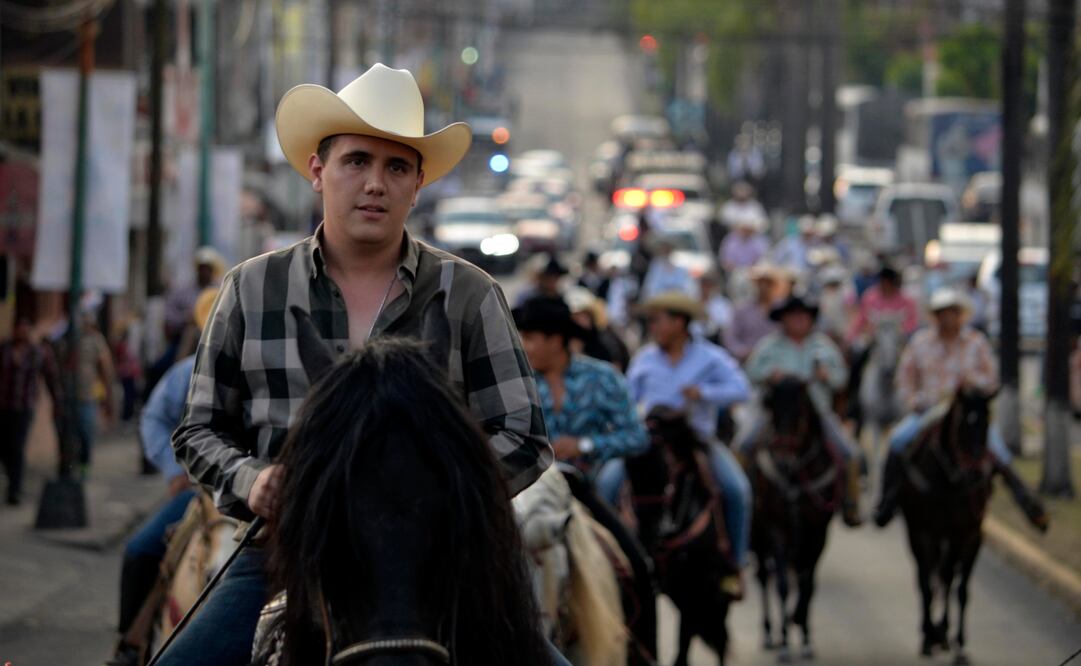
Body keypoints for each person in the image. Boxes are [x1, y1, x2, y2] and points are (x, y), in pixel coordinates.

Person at [164, 64, 555, 666]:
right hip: (288, 549)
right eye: (356, 162)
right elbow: (198, 429)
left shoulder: (470, 294)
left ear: (418, 183)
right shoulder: (250, 288)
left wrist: (439, 497)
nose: (375, 182)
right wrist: (254, 481)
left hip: (438, 559)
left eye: (396, 166)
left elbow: (524, 438)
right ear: (317, 171)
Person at [596, 292, 753, 596]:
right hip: (649, 441)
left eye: (658, 320)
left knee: (737, 490)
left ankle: (734, 563)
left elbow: (740, 389)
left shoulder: (711, 357)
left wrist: (704, 393)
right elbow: (628, 399)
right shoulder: (645, 358)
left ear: (679, 322)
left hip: (695, 441)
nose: (652, 326)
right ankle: (608, 560)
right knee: (606, 485)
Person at [874, 288, 1049, 531]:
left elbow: (992, 380)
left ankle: (1029, 504)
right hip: (929, 411)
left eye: (952, 313)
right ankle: (886, 502)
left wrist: (971, 383)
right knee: (896, 441)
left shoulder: (975, 342)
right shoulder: (921, 343)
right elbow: (904, 378)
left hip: (966, 415)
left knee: (999, 452)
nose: (947, 319)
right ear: (935, 316)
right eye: (942, 313)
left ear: (960, 315)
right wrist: (913, 399)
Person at [106, 288, 218, 666]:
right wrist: (174, 469)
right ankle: (131, 644)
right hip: (202, 491)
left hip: (265, 497)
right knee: (141, 550)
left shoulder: (274, 363)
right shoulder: (188, 371)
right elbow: (153, 417)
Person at [740, 295, 863, 527]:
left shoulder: (823, 346)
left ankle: (850, 503)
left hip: (816, 412)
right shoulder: (770, 345)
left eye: (802, 316)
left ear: (810, 319)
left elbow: (842, 379)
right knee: (743, 443)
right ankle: (745, 498)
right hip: (774, 413)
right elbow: (750, 373)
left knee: (850, 452)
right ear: (783, 319)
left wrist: (828, 375)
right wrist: (769, 375)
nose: (798, 320)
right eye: (792, 315)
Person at [515, 296, 647, 474]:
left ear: (555, 341)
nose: (523, 346)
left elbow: (637, 437)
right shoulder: (518, 383)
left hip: (593, 481)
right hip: (535, 486)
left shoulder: (602, 377)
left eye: (529, 338)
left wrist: (585, 445)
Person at [0, 318, 61, 506]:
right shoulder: (5, 349)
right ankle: (12, 478)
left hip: (24, 406)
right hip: (3, 406)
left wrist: (56, 401)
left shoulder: (37, 352)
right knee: (4, 447)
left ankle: (14, 489)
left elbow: (50, 376)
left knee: (17, 447)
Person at [74, 308, 116, 476]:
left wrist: (108, 396)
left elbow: (106, 367)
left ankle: (84, 465)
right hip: (70, 396)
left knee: (86, 431)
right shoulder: (70, 339)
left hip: (87, 395)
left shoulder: (96, 340)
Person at [723, 263, 783, 362]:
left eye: (768, 283)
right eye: (760, 283)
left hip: (778, 361)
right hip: (747, 361)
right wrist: (743, 352)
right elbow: (730, 338)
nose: (764, 287)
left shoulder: (783, 309)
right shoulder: (741, 310)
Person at [564, 286, 630, 371]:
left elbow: (615, 371)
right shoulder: (563, 341)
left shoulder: (605, 341)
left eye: (584, 315)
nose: (580, 320)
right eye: (575, 316)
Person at [641, 236, 698, 301]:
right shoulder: (656, 266)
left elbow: (688, 288)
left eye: (667, 248)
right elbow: (650, 288)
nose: (665, 251)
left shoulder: (681, 264)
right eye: (664, 248)